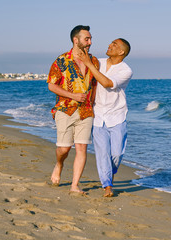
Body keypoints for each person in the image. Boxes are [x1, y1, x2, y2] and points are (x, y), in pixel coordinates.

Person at [47, 25, 99, 194]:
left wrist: (93, 103)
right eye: (87, 39)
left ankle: (74, 185)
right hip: (65, 109)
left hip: (86, 111)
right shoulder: (61, 60)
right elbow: (51, 85)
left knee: (82, 148)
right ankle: (59, 164)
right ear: (76, 40)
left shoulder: (94, 61)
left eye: (90, 39)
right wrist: (73, 96)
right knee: (64, 149)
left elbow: (95, 85)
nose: (90, 42)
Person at [77, 38, 133, 197]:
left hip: (117, 116)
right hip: (97, 116)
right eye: (110, 43)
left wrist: (89, 65)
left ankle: (109, 172)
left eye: (114, 45)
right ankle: (107, 185)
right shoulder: (97, 62)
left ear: (121, 52)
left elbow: (107, 83)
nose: (110, 45)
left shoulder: (126, 70)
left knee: (116, 154)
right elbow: (82, 58)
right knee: (102, 154)